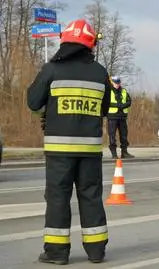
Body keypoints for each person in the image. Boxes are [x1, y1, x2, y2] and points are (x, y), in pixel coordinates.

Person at [26, 19, 110, 265]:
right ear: (90, 44)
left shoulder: (52, 69)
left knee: (58, 198)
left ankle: (57, 252)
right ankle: (96, 251)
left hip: (59, 151)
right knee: (91, 196)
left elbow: (33, 102)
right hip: (90, 150)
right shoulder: (100, 72)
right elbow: (104, 108)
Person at [107, 76, 134, 159]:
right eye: (116, 83)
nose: (117, 85)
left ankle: (124, 153)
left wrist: (123, 106)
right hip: (112, 116)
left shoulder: (124, 91)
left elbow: (129, 101)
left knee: (124, 135)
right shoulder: (108, 91)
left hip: (122, 117)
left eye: (118, 83)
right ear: (112, 82)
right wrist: (117, 105)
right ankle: (114, 154)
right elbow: (105, 102)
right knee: (112, 136)